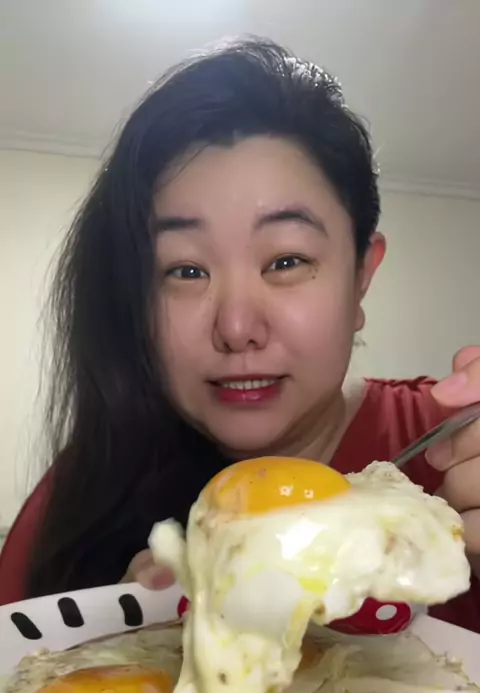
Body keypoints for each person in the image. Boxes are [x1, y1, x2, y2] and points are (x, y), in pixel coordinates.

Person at [2, 37, 480, 632]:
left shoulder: (455, 452)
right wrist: (124, 649)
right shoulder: (78, 499)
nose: (235, 328)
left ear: (361, 276)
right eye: (185, 270)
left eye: (286, 261)